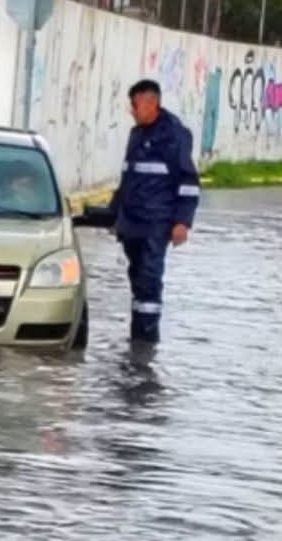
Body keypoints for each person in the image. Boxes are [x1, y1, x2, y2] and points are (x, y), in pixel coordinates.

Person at [105, 79, 200, 345]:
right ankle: (137, 340)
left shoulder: (174, 135)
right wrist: (114, 214)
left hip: (156, 223)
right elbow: (128, 179)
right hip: (132, 223)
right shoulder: (136, 134)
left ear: (151, 103)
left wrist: (182, 222)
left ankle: (145, 345)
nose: (132, 111)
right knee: (137, 280)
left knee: (148, 280)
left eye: (135, 105)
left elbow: (188, 182)